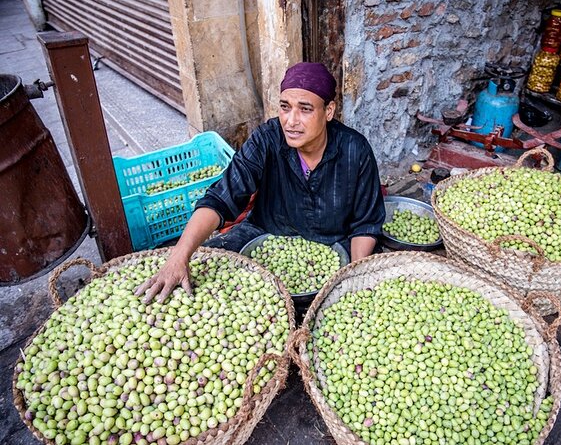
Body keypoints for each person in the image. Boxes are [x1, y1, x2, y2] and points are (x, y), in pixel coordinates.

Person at [137, 62, 385, 303]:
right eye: (285, 107)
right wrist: (178, 257)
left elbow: (366, 224)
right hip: (265, 233)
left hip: (332, 244)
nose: (291, 120)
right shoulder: (267, 139)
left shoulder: (355, 150)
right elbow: (222, 197)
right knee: (203, 277)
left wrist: (352, 278)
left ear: (328, 111)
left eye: (305, 109)